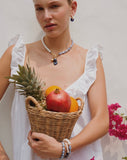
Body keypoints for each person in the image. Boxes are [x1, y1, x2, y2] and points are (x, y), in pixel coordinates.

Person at [0, 0, 109, 159]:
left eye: (54, 6)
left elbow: (102, 120)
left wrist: (63, 148)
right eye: (39, 9)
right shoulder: (17, 55)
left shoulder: (89, 60)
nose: (46, 16)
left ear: (72, 8)